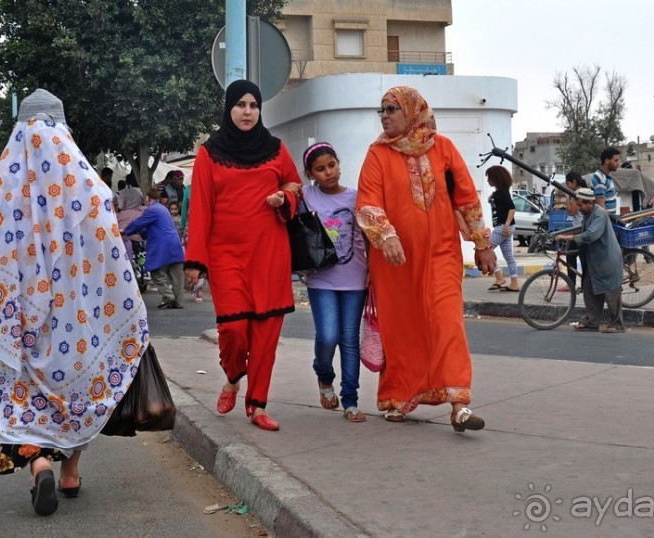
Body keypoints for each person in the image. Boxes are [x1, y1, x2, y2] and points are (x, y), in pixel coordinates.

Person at [0, 89, 149, 516]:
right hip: (79, 321)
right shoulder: (90, 187)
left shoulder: (2, 185)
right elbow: (110, 254)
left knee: (19, 394)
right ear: (64, 127)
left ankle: (38, 465)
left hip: (16, 323)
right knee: (77, 393)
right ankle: (70, 472)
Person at [356, 86, 496, 429]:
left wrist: (481, 243)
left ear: (413, 111)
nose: (385, 115)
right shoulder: (377, 154)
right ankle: (399, 397)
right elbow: (368, 201)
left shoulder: (443, 147)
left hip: (442, 253)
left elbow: (466, 198)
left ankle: (459, 404)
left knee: (447, 321)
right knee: (401, 327)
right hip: (395, 262)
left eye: (392, 109)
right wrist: (385, 235)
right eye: (382, 110)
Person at [184, 79, 302, 432]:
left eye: (254, 105)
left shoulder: (277, 149)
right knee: (233, 329)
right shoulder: (209, 153)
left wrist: (285, 198)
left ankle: (257, 405)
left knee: (266, 334)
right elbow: (201, 209)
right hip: (226, 256)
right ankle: (234, 376)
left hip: (270, 255)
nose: (248, 111)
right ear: (229, 108)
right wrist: (194, 261)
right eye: (241, 105)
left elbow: (295, 184)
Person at [301, 142, 368, 423]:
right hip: (320, 280)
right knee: (328, 336)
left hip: (355, 279)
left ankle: (350, 400)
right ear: (311, 174)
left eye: (332, 165)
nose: (328, 172)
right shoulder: (306, 196)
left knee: (350, 340)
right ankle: (324, 375)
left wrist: (374, 271)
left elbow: (370, 236)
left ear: (339, 164)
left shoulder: (357, 197)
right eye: (320, 169)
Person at [556, 188, 625, 333]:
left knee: (611, 291)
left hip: (607, 258)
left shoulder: (600, 214)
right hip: (594, 259)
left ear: (590, 203)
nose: (579, 209)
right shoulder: (588, 214)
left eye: (581, 205)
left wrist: (568, 237)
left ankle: (617, 324)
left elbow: (591, 235)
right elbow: (583, 230)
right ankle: (592, 322)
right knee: (589, 288)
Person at [125, 186, 185, 309]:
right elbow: (149, 229)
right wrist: (141, 233)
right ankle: (177, 301)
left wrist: (125, 230)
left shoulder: (152, 210)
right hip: (174, 243)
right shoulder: (163, 209)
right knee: (176, 275)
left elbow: (139, 223)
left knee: (156, 273)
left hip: (162, 245)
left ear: (148, 198)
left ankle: (168, 296)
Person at [485, 165, 519, 292]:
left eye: (489, 177)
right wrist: (491, 198)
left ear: (496, 178)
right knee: (509, 256)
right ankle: (514, 283)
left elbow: (512, 208)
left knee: (486, 249)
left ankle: (499, 277)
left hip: (504, 226)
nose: (488, 180)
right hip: (505, 226)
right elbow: (498, 204)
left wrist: (506, 225)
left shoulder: (503, 193)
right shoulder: (499, 192)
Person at [561, 172, 587, 289]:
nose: (567, 186)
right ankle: (583, 284)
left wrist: (567, 197)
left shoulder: (576, 193)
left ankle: (571, 284)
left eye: (568, 184)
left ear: (574, 182)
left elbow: (572, 211)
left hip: (578, 230)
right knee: (581, 257)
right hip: (581, 228)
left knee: (571, 257)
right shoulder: (583, 190)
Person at [591, 147, 620, 215]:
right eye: (615, 160)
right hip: (605, 221)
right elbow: (601, 207)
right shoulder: (600, 178)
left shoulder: (606, 177)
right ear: (607, 161)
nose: (618, 163)